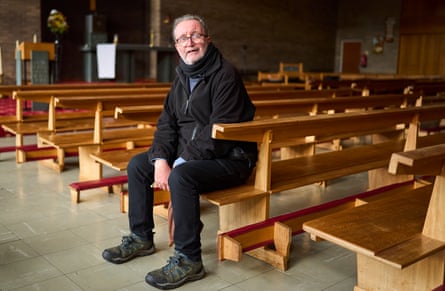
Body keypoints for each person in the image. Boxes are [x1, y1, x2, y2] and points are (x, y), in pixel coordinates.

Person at [102, 14, 257, 290]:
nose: (190, 42)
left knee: (181, 176)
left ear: (207, 40)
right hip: (192, 154)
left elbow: (219, 133)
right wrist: (161, 159)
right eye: (183, 38)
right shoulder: (181, 77)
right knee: (139, 165)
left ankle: (189, 259)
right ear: (176, 46)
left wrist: (180, 162)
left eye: (196, 35)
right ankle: (141, 238)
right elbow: (166, 124)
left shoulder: (225, 75)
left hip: (230, 158)